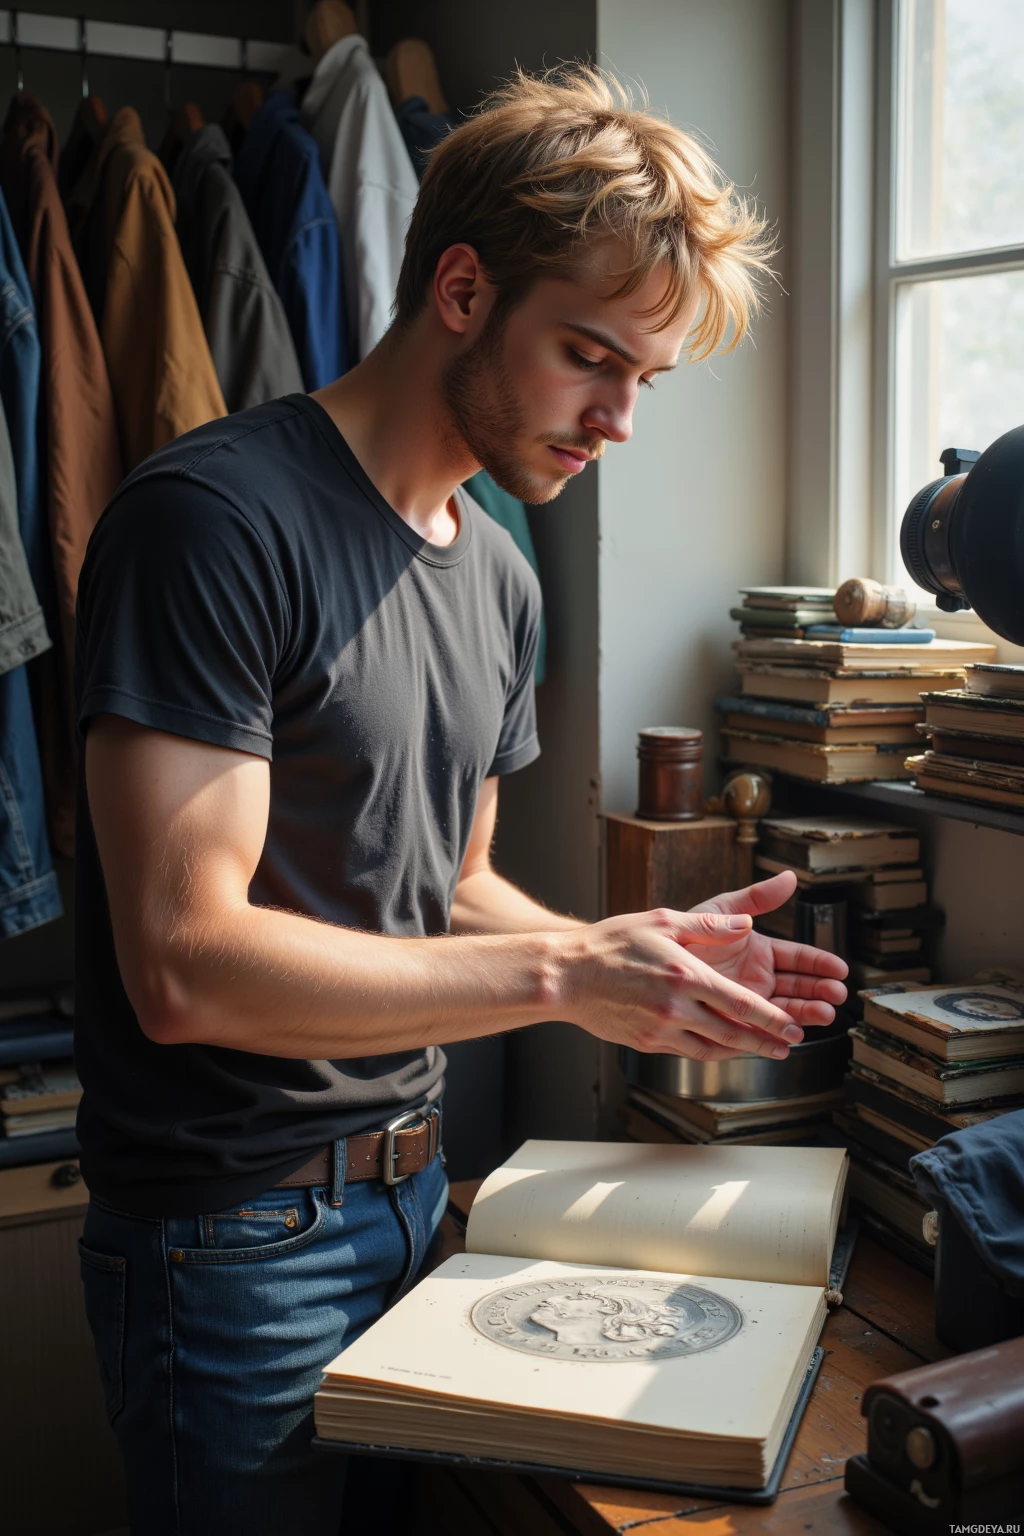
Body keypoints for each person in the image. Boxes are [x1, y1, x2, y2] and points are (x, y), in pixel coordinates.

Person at [74, 66, 848, 1535]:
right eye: (588, 357)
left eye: (649, 381)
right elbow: (180, 967)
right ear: (461, 286)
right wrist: (562, 971)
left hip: (430, 1206)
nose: (619, 417)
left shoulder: (494, 566)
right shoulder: (212, 524)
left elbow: (451, 885)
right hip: (233, 1241)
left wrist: (632, 966)